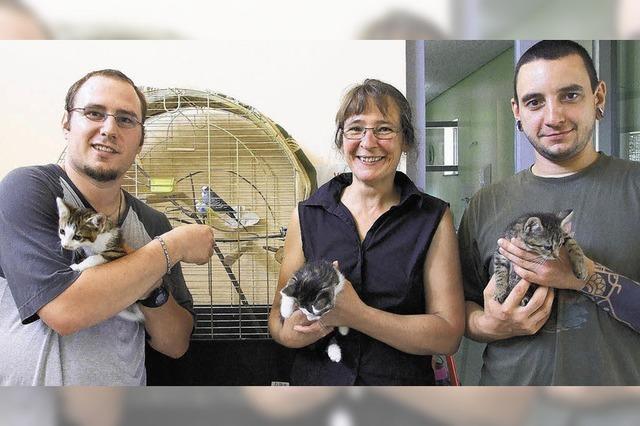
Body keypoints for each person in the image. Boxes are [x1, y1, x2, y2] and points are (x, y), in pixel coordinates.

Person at [0, 69, 215, 385]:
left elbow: (175, 343)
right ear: (67, 123)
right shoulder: (28, 189)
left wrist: (150, 286)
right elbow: (64, 312)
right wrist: (175, 246)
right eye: (94, 113)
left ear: (140, 140)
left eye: (126, 120)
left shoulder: (152, 223)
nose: (109, 128)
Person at [459, 40, 640, 385]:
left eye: (570, 95)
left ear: (598, 97)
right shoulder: (485, 203)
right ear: (517, 111)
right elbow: (461, 313)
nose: (553, 116)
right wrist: (490, 324)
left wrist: (584, 275)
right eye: (534, 101)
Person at [268, 79, 464, 385]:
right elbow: (278, 321)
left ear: (406, 140)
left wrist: (357, 315)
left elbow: (448, 335)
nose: (368, 142)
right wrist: (292, 333)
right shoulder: (307, 215)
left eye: (384, 129)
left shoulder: (433, 218)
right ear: (341, 139)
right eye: (356, 128)